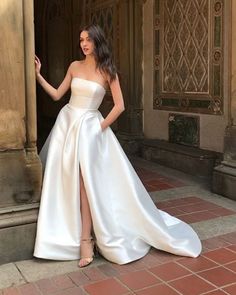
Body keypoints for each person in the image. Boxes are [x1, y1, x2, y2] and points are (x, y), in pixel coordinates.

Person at [34, 24, 202, 268]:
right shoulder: (73, 66)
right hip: (68, 125)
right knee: (65, 179)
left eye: (88, 40)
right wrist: (38, 75)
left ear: (97, 42)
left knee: (84, 181)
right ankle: (67, 234)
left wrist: (99, 128)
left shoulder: (107, 71)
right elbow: (58, 95)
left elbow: (120, 106)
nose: (83, 44)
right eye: (81, 39)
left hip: (90, 129)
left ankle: (86, 240)